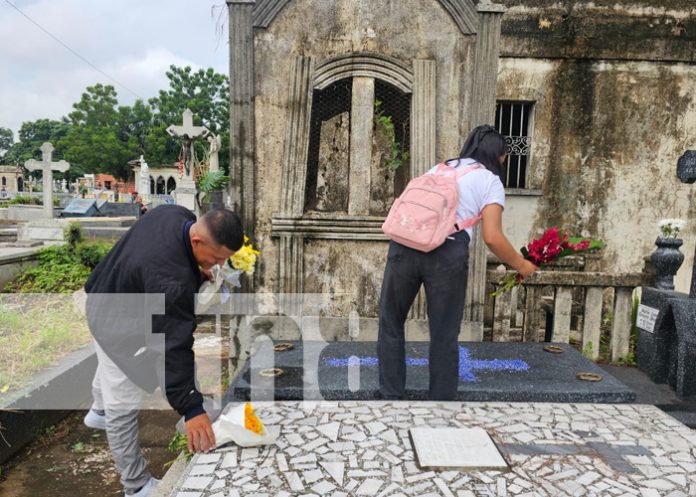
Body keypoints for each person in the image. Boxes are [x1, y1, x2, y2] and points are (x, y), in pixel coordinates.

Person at [82, 205, 244, 497]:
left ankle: (98, 410)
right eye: (217, 257)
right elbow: (173, 348)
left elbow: (164, 259)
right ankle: (136, 485)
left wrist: (198, 272)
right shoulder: (172, 282)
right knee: (123, 400)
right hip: (117, 325)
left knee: (109, 365)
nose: (218, 264)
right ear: (197, 241)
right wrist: (191, 408)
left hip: (103, 294)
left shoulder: (173, 214)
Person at [378, 124, 538, 401]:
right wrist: (523, 265)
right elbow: (493, 237)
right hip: (446, 253)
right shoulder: (489, 181)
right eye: (504, 156)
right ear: (499, 155)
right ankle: (440, 401)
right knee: (443, 330)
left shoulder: (439, 168)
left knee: (391, 321)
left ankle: (390, 395)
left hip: (404, 245)